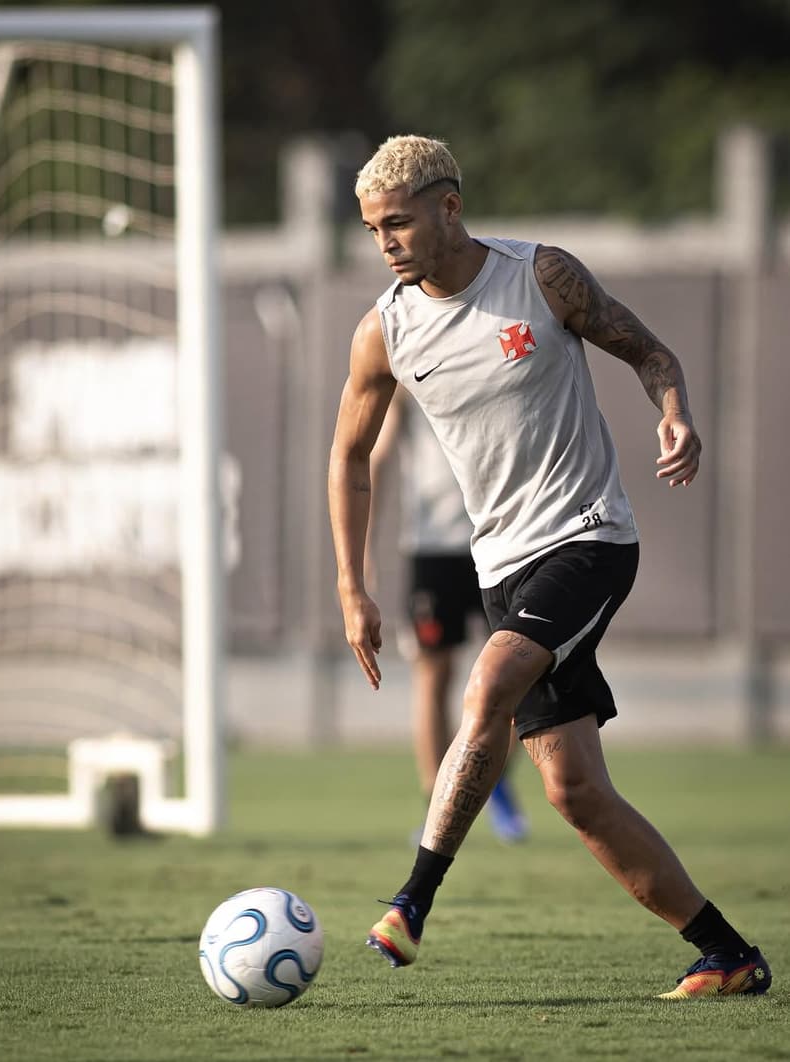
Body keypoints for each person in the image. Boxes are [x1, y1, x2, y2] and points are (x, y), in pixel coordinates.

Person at [327, 134, 771, 999]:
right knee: (574, 790)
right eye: (372, 228)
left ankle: (411, 903)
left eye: (398, 222)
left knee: (487, 684)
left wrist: (673, 413)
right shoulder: (384, 330)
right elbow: (347, 456)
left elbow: (652, 354)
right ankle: (727, 955)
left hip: (590, 536)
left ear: (449, 208)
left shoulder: (542, 277)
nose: (384, 242)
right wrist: (351, 585)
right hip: (502, 567)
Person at [368, 387, 527, 842]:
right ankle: (436, 803)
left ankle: (489, 780)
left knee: (521, 675)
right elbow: (375, 456)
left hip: (503, 539)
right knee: (433, 676)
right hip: (433, 548)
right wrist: (364, 547)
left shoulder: (494, 345)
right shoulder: (405, 366)